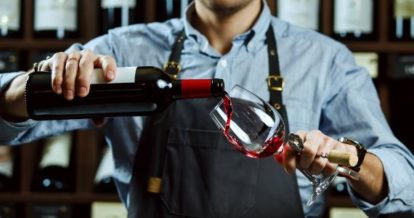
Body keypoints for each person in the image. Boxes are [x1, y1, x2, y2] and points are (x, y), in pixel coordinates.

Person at [1, 0, 414, 217]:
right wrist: (37, 83)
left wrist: (348, 159)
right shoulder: (122, 51)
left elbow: (405, 185)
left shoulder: (326, 59)